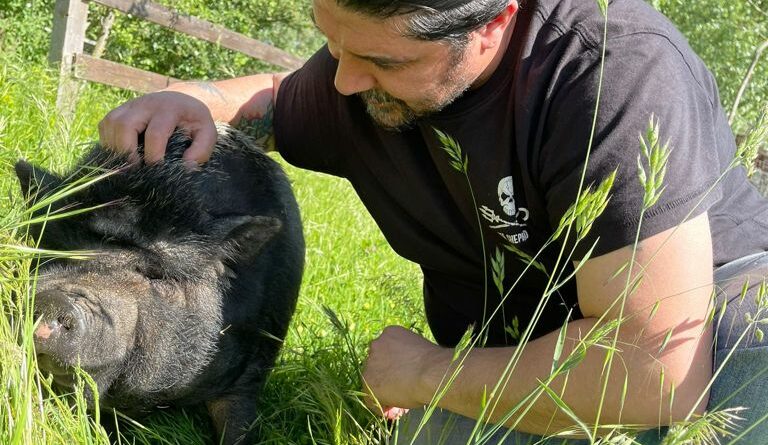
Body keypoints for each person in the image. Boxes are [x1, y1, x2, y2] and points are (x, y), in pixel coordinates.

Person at [98, 0, 768, 443]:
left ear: (494, 23)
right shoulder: (360, 77)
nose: (343, 84)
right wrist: (197, 99)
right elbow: (280, 97)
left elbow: (654, 368)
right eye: (332, 43)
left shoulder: (607, 68)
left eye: (384, 62)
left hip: (715, 322)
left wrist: (425, 371)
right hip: (511, 358)